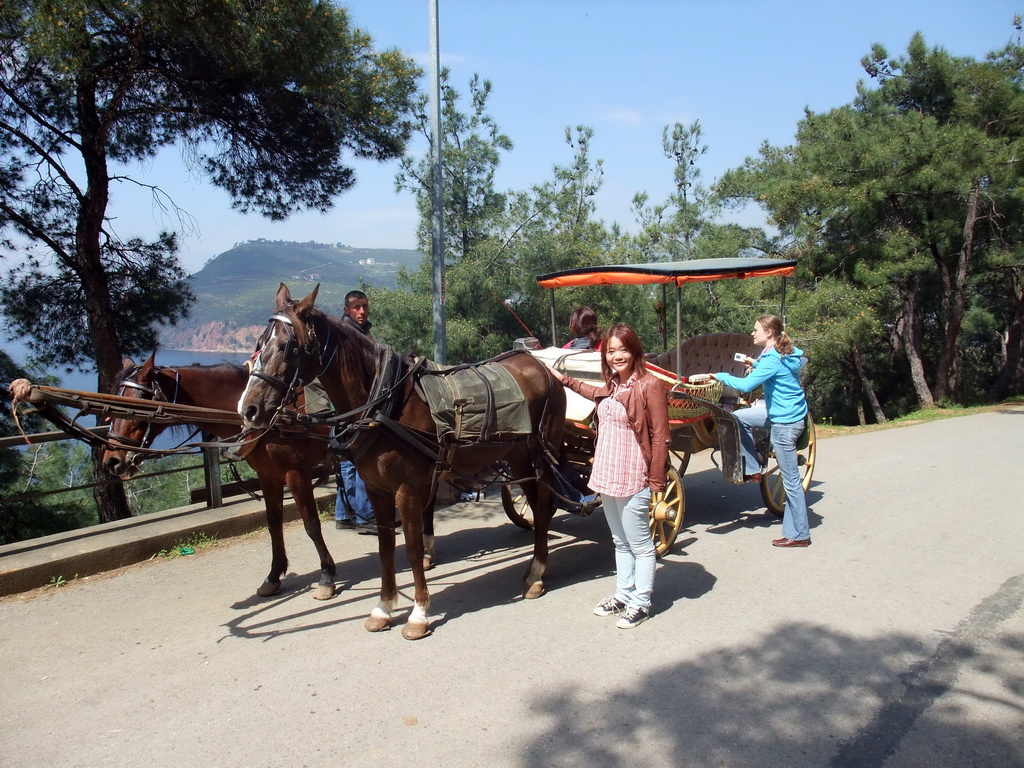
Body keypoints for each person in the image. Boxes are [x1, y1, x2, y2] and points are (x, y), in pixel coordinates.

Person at [547, 323, 670, 629]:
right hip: (609, 470)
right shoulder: (614, 384)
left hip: (633, 473)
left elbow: (660, 436)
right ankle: (623, 593)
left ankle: (641, 602)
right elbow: (594, 393)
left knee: (640, 544)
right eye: (611, 351)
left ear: (634, 350)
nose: (617, 356)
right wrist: (564, 380)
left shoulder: (649, 385)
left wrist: (655, 479)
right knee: (619, 540)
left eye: (623, 350)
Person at [711, 314, 810, 548]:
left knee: (791, 482)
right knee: (737, 418)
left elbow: (746, 386)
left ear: (770, 333)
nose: (753, 333)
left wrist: (720, 375)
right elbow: (776, 370)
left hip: (784, 424)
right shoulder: (778, 353)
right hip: (783, 415)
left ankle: (799, 535)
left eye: (757, 330)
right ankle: (754, 469)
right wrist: (755, 365)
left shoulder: (773, 357)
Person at [334, 290, 377, 534]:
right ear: (346, 310)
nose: (362, 311)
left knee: (348, 463)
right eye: (356, 307)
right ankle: (365, 517)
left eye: (364, 306)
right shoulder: (348, 334)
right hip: (355, 408)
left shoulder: (357, 332)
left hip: (346, 410)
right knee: (363, 459)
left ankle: (344, 514)